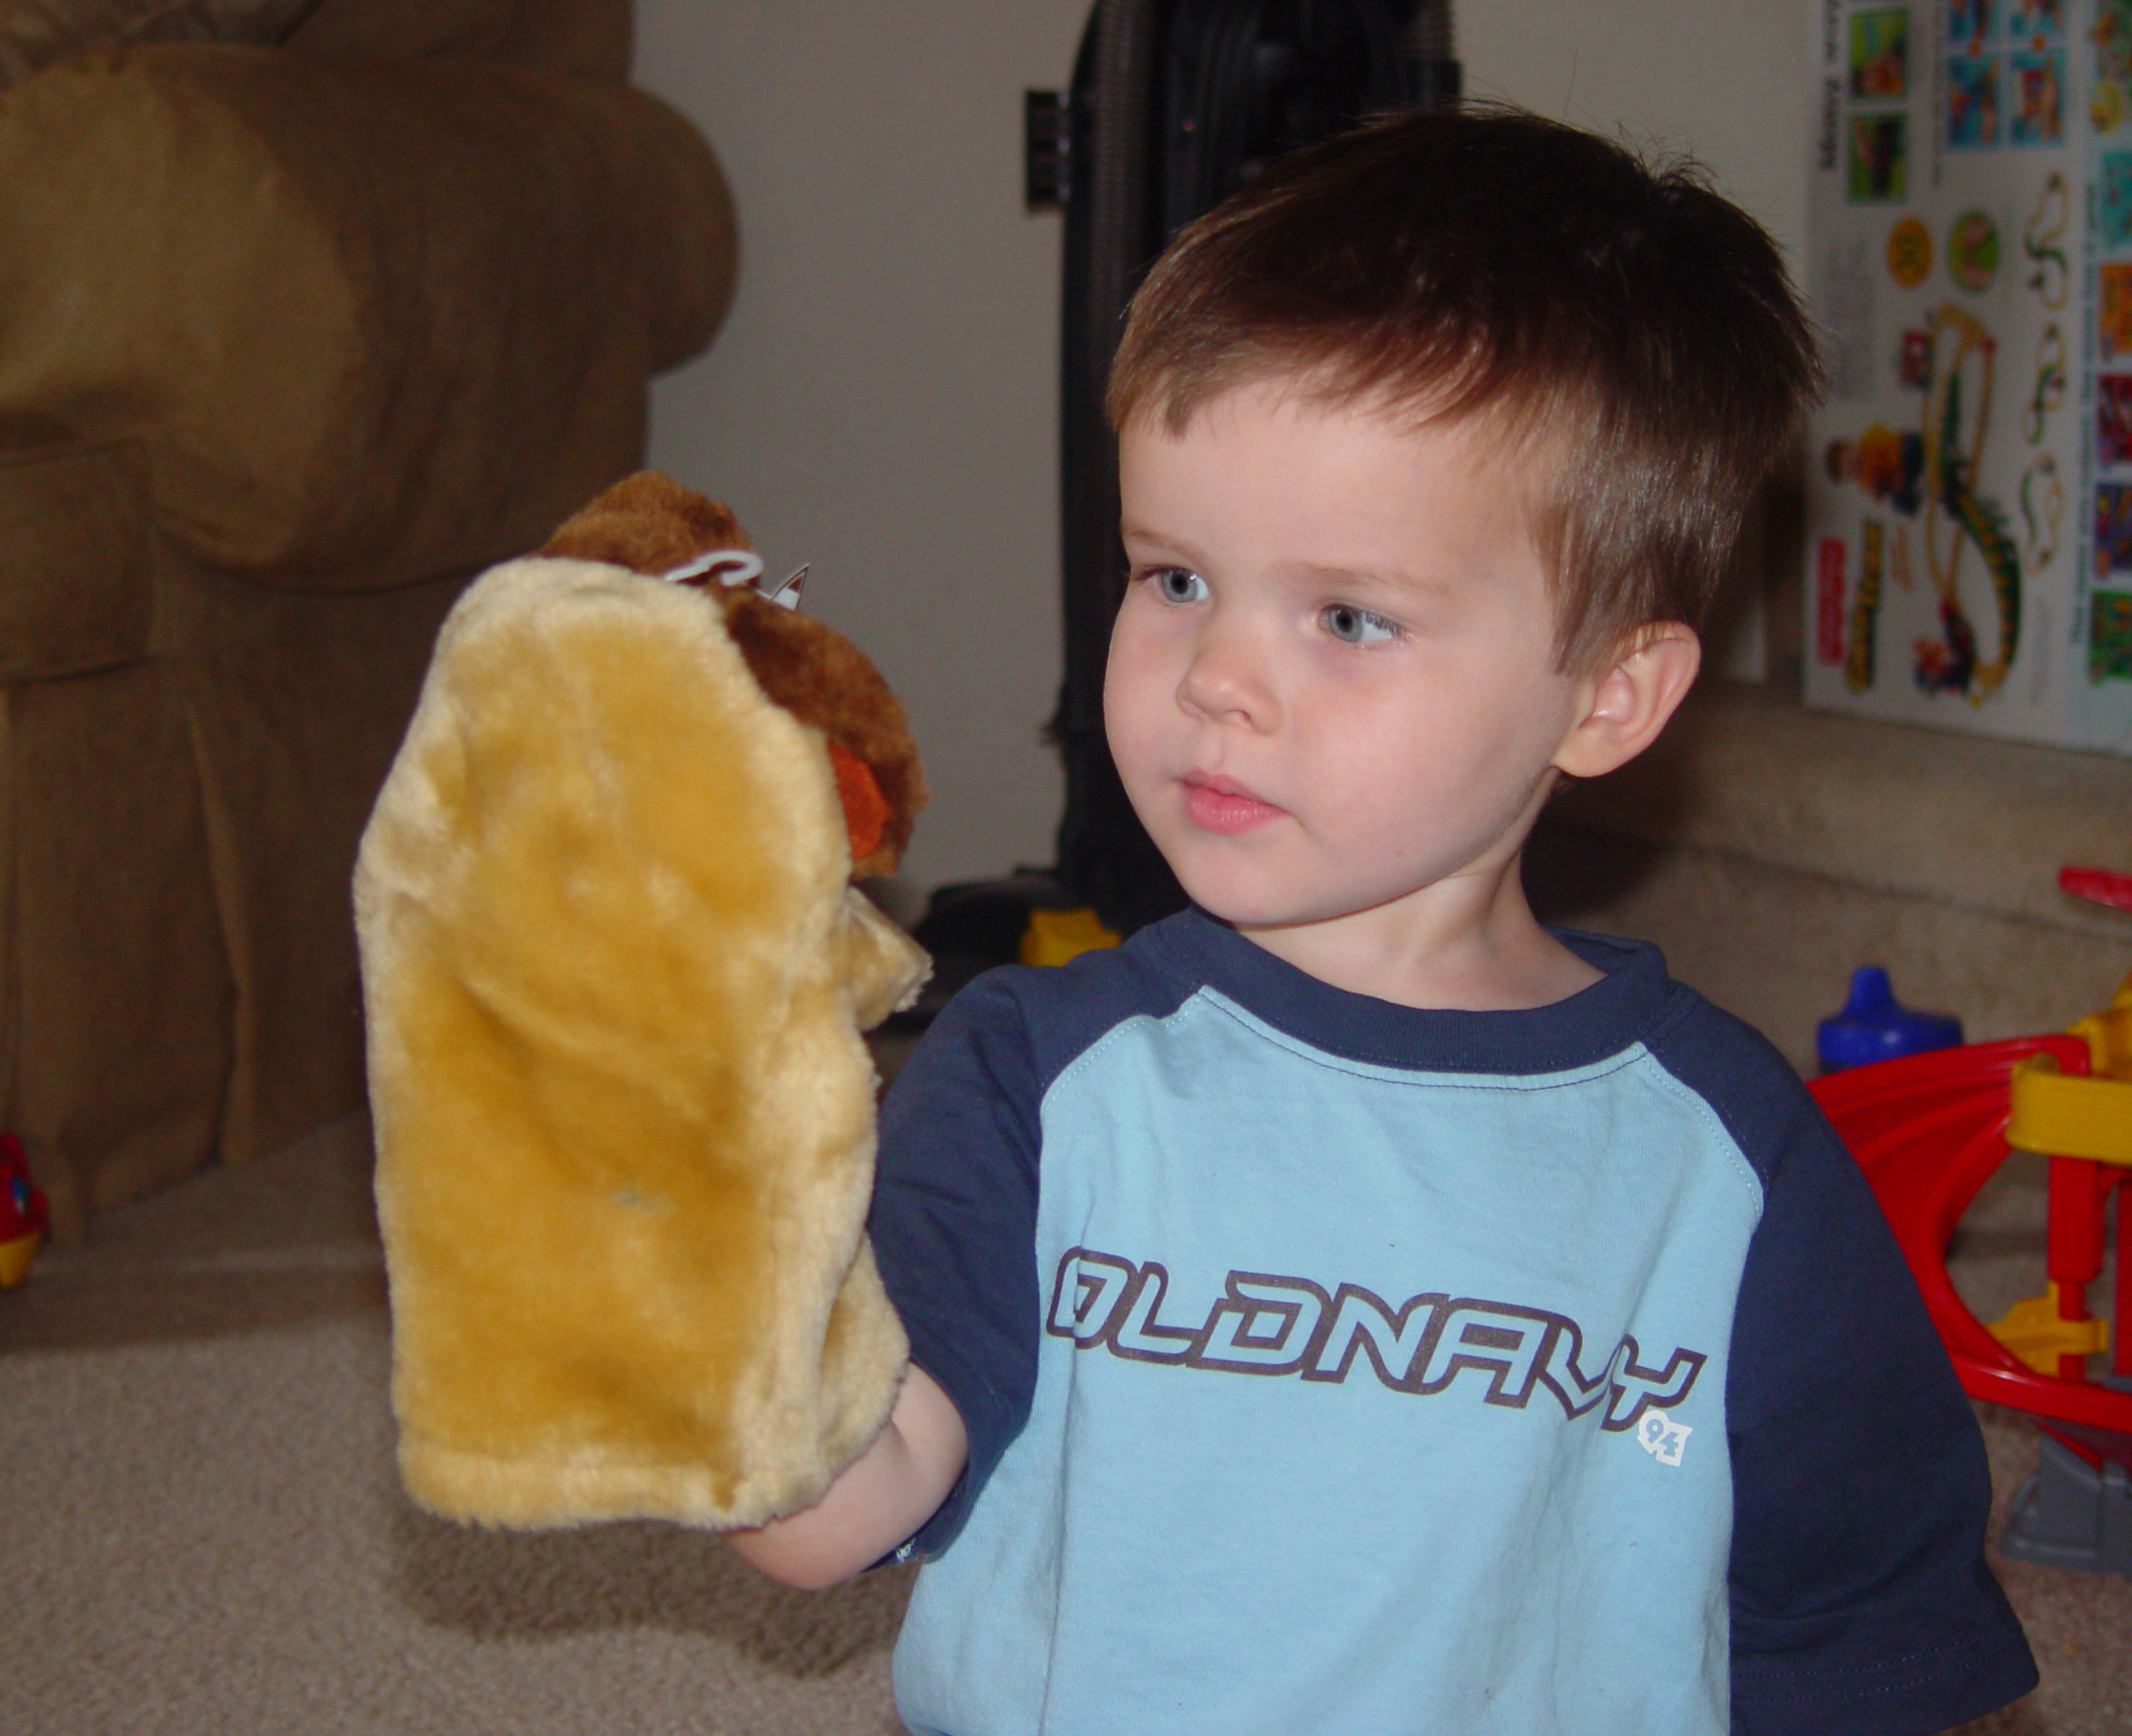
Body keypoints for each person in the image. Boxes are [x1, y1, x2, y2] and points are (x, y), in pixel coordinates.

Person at [728, 105, 2038, 1735]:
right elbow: (838, 1508)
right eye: (1175, 576)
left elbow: (1861, 1640)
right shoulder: (1032, 1078)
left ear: (1608, 696)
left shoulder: (1722, 1159)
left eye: (1348, 614)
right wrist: (692, 1283)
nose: (1216, 677)